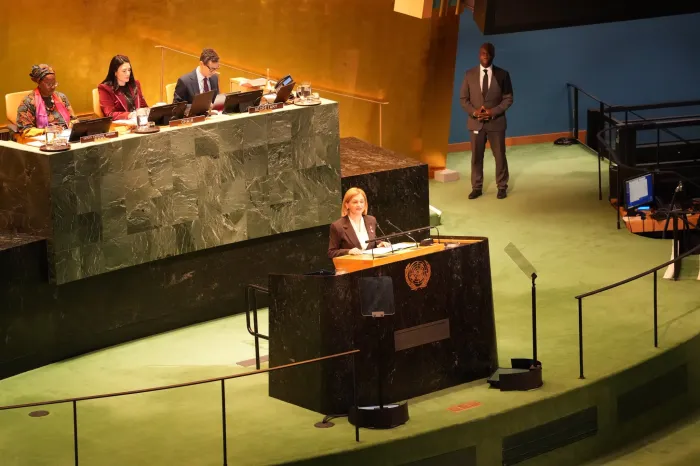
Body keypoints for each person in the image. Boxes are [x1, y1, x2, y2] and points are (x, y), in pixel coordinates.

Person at [459, 42, 514, 200]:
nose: (486, 56)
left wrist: (492, 112)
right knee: (476, 157)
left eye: (488, 53)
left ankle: (502, 186)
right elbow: (463, 99)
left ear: (493, 55)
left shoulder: (503, 75)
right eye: (483, 53)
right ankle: (476, 187)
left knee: (500, 156)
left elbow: (508, 98)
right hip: (475, 123)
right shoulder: (469, 74)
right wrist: (475, 112)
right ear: (479, 55)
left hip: (496, 123)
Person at [328, 187, 391, 259]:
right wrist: (348, 251)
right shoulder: (337, 226)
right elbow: (331, 252)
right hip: (352, 265)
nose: (359, 205)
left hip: (372, 264)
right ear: (347, 205)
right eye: (355, 202)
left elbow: (372, 240)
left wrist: (379, 243)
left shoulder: (371, 220)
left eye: (361, 202)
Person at [16, 64, 77, 134]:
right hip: (44, 138)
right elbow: (24, 130)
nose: (53, 87)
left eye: (54, 83)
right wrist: (46, 131)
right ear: (39, 83)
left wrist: (72, 125)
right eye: (49, 84)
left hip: (65, 135)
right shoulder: (28, 102)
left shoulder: (61, 97)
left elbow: (73, 119)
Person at [98, 55, 148, 120]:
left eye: (129, 70)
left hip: (137, 122)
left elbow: (143, 106)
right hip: (121, 124)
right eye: (124, 71)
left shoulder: (135, 84)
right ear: (115, 72)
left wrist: (149, 110)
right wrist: (130, 115)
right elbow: (109, 114)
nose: (128, 73)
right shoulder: (105, 88)